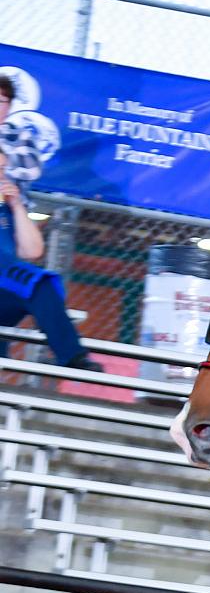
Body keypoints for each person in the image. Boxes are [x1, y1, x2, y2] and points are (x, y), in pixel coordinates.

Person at [0, 76, 99, 377]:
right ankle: (71, 357)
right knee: (33, 281)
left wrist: (15, 203)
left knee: (39, 284)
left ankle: (73, 359)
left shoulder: (11, 185)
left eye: (3, 102)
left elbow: (32, 251)